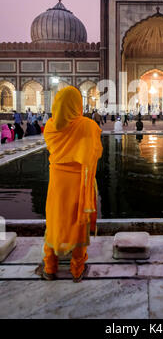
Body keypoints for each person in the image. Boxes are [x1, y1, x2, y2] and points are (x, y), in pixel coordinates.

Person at [35, 86, 103, 282]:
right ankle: (77, 269)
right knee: (78, 222)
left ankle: (50, 267)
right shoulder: (87, 126)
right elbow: (95, 151)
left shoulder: (50, 126)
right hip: (78, 181)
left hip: (57, 181)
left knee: (54, 220)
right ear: (77, 105)